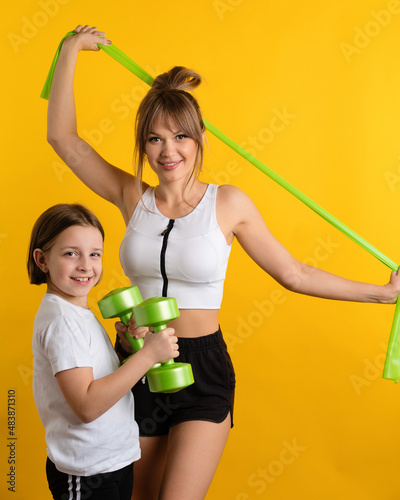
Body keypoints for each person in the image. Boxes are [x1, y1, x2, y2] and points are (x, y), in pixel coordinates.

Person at [46, 25, 400, 500]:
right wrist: (71, 51)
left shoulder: (228, 204)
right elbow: (63, 140)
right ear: (143, 145)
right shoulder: (133, 197)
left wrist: (381, 293)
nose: (168, 152)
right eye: (154, 140)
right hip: (136, 364)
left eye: (179, 137)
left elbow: (294, 273)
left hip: (204, 368)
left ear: (199, 139)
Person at [28, 203, 178, 500]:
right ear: (42, 259)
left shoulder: (75, 312)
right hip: (86, 472)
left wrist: (124, 350)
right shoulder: (62, 322)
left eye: (94, 254)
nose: (86, 265)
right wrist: (148, 356)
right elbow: (86, 406)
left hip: (111, 462)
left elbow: (95, 377)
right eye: (71, 253)